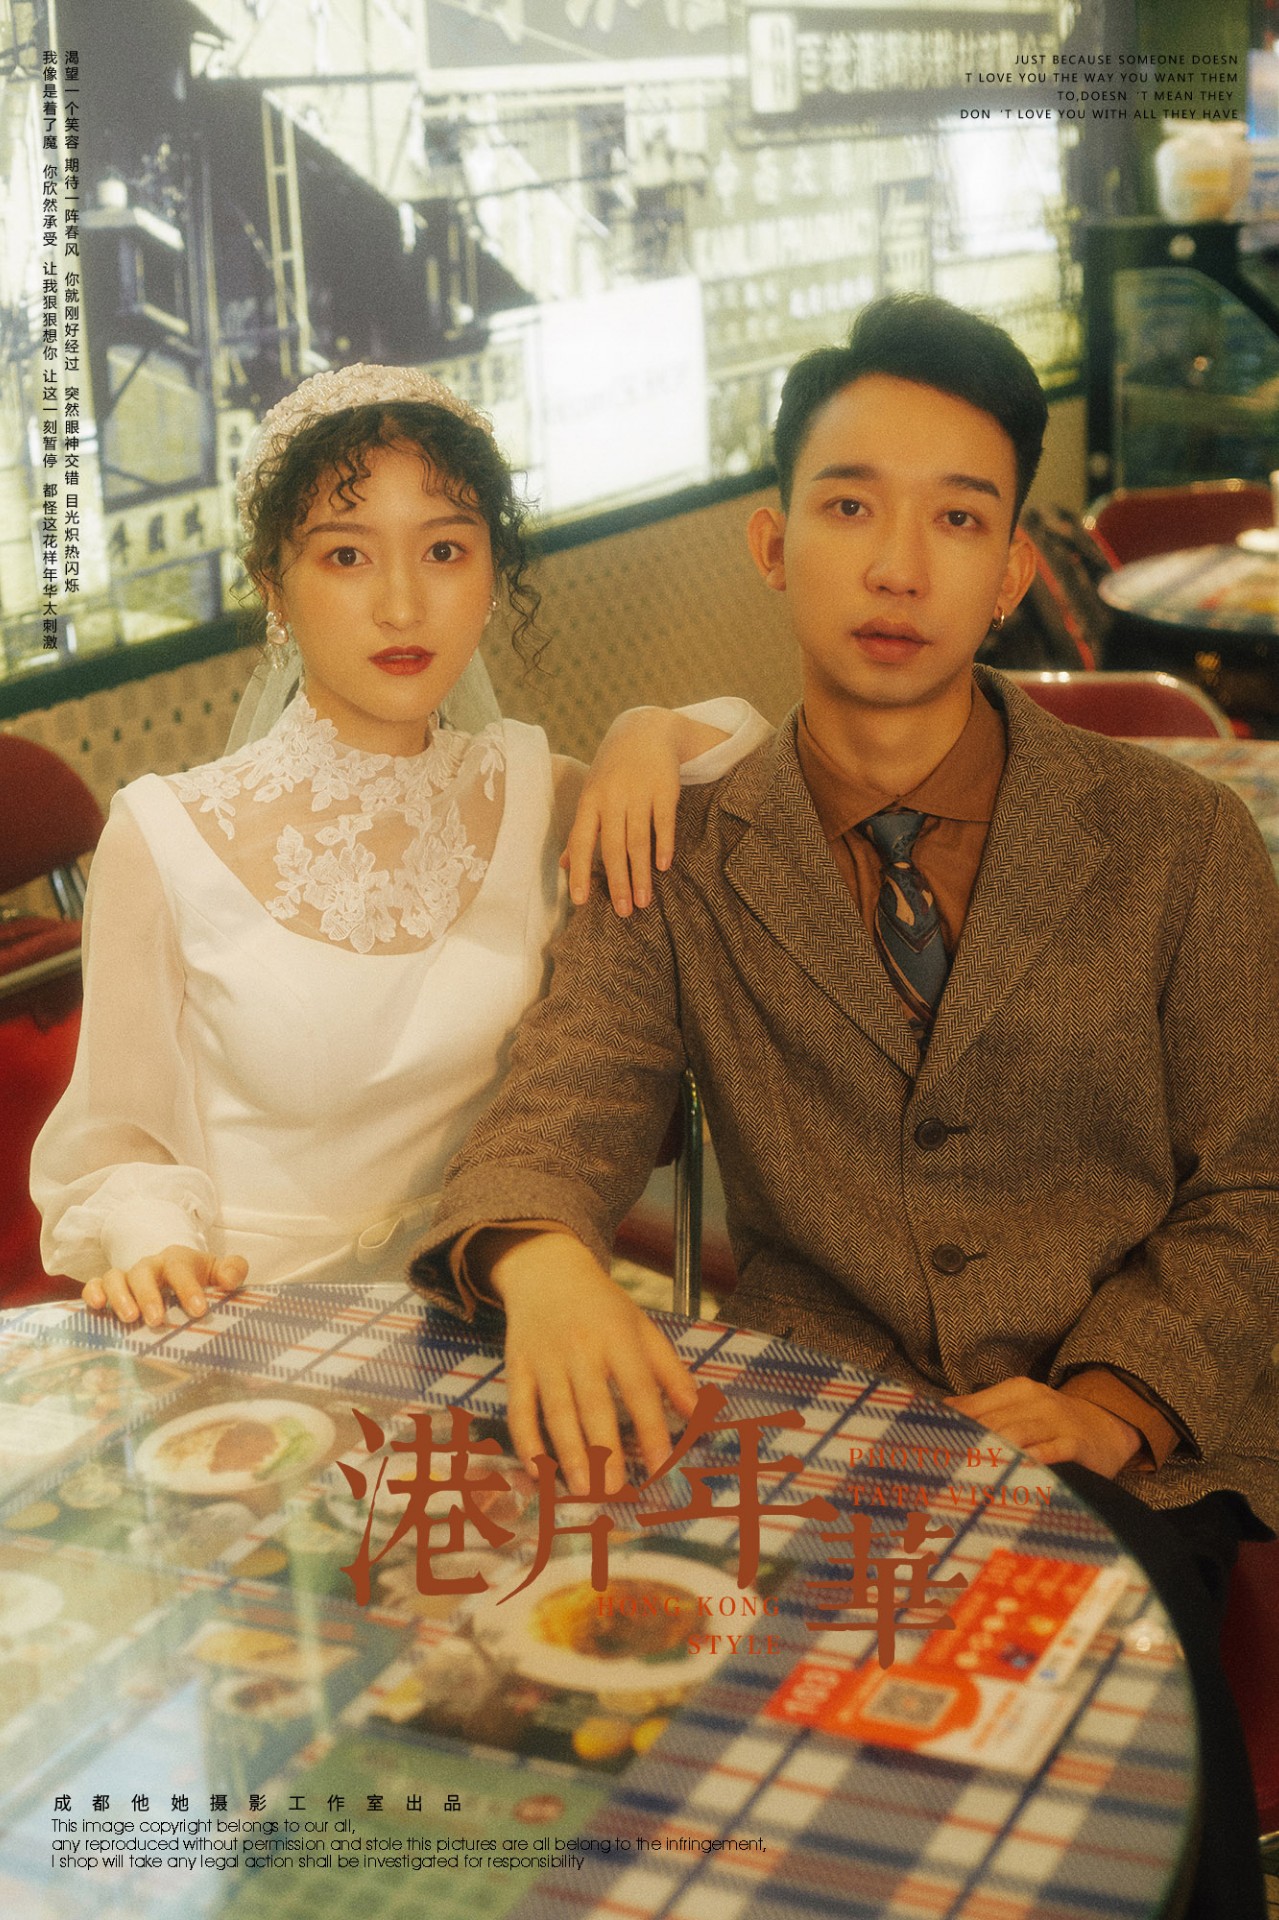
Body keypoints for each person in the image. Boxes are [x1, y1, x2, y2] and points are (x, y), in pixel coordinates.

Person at [410, 298, 1279, 1917]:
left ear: (1008, 570)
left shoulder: (1178, 844)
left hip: (1111, 1452)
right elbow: (563, 1100)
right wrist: (537, 1255)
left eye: (955, 519)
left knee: (1111, 1819)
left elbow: (1253, 1188)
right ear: (770, 541)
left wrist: (1108, 1399)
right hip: (821, 1437)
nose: (896, 567)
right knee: (671, 1807)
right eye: (849, 506)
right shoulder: (676, 850)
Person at [30, 362, 770, 1323]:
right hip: (246, 1320)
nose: (402, 604)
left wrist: (648, 730)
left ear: (492, 573)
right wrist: (153, 1247)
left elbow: (762, 771)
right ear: (273, 587)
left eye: (445, 551)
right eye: (346, 556)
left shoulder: (538, 796)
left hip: (477, 1306)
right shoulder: (166, 836)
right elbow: (120, 1144)